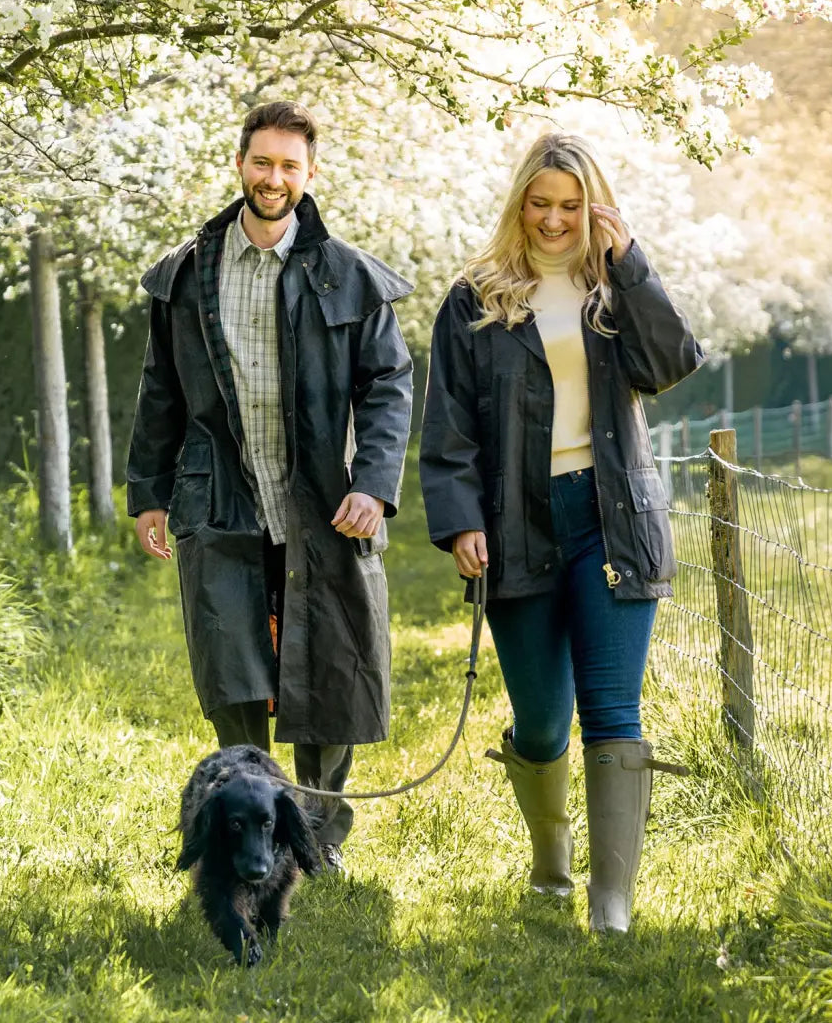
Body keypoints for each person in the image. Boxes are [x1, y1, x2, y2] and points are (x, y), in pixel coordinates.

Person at [419, 133, 704, 931]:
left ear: (594, 207)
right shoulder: (474, 298)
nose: (554, 220)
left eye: (571, 206)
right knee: (542, 721)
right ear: (520, 204)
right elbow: (446, 430)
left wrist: (632, 261)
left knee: (613, 711)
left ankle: (611, 903)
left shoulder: (615, 288)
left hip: (613, 522)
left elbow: (672, 361)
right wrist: (459, 522)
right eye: (541, 204)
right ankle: (552, 855)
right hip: (516, 522)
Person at [127, 101, 414, 873]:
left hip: (325, 504)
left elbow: (388, 383)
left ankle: (315, 828)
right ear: (240, 165)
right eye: (263, 162)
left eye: (290, 165)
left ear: (310, 175)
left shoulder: (345, 275)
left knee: (333, 668)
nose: (274, 178)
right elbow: (161, 390)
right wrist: (150, 491)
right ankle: (256, 822)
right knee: (234, 672)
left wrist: (375, 484)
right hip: (220, 497)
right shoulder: (190, 275)